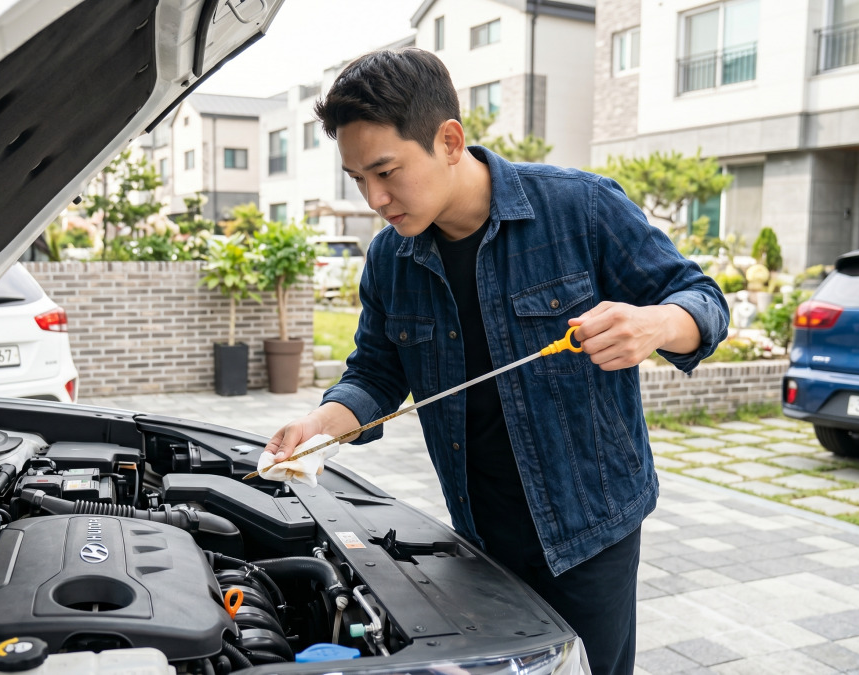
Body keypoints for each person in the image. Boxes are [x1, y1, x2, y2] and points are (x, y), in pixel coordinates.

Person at [265, 48, 729, 675]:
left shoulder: (581, 208)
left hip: (591, 529)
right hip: (476, 535)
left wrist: (658, 323)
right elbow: (375, 374)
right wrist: (321, 426)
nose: (375, 198)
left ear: (449, 140)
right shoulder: (389, 260)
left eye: (386, 171)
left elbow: (704, 301)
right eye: (357, 179)